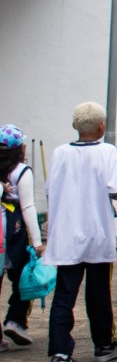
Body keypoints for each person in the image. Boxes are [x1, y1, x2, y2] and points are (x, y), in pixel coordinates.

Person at [44, 103, 117, 362]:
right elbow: (116, 188)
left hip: (66, 232)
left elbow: (49, 189)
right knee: (98, 291)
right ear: (101, 126)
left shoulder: (59, 153)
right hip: (96, 232)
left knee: (65, 294)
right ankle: (103, 344)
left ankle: (59, 353)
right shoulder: (107, 152)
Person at [1, 125, 43, 347]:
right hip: (14, 230)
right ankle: (16, 321)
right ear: (19, 148)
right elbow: (28, 207)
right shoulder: (21, 171)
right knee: (24, 279)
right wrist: (37, 242)